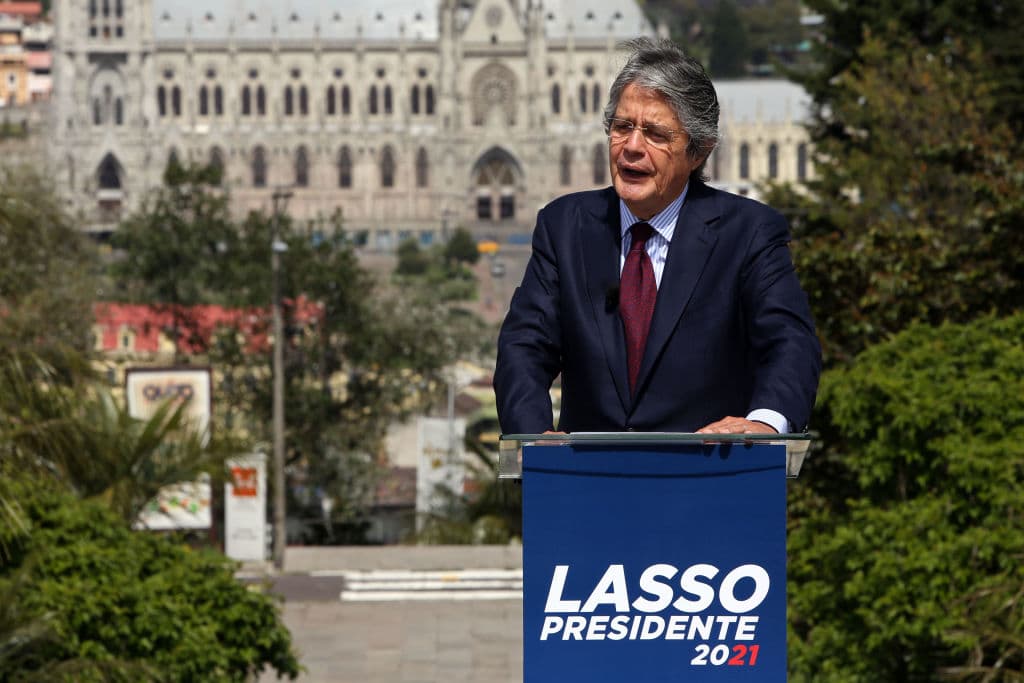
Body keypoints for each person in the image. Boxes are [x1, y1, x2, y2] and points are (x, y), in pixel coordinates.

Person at [493, 37, 821, 436]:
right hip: (587, 482)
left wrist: (764, 423)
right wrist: (533, 439)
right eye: (622, 127)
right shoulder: (564, 226)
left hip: (706, 479)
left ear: (699, 151)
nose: (632, 147)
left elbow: (790, 344)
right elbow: (524, 347)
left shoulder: (748, 233)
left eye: (655, 134)